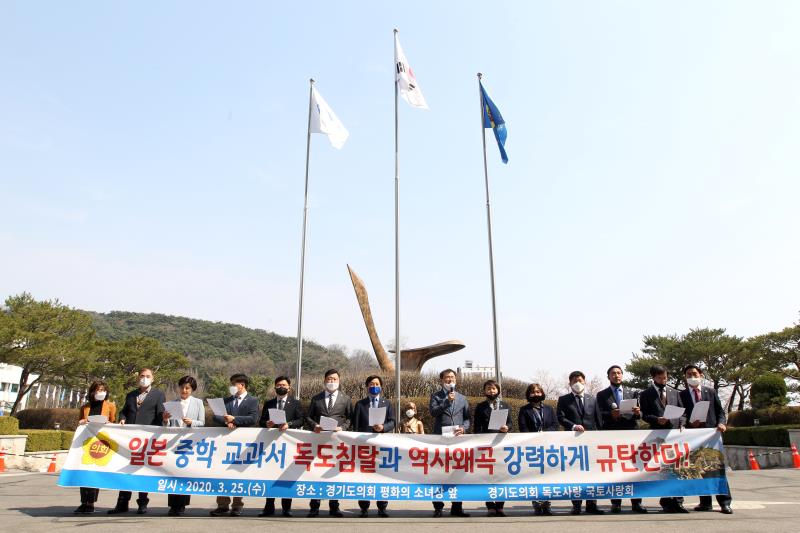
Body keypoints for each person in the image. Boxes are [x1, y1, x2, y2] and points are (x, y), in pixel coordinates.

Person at [108, 368, 166, 515]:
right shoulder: (131, 395)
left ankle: (142, 503)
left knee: (143, 471)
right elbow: (124, 411)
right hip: (130, 440)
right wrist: (122, 418)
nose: (144, 378)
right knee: (126, 470)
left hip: (148, 439)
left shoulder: (158, 395)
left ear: (153, 379)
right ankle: (122, 503)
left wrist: (163, 424)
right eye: (142, 376)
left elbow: (160, 415)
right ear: (138, 378)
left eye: (147, 376)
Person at [680, 364, 732, 514]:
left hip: (711, 436)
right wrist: (687, 423)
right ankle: (705, 502)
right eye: (689, 374)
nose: (692, 377)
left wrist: (722, 423)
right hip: (693, 436)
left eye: (694, 374)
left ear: (701, 375)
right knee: (699, 469)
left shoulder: (711, 392)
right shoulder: (681, 395)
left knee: (716, 469)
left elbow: (720, 412)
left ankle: (725, 503)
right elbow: (681, 415)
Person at [596, 365, 648, 514]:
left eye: (619, 373)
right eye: (613, 373)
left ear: (622, 375)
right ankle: (616, 503)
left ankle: (637, 503)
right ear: (608, 377)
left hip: (632, 435)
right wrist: (610, 415)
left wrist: (638, 412)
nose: (616, 375)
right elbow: (599, 414)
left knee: (635, 468)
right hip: (612, 436)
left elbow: (640, 414)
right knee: (615, 469)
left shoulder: (633, 392)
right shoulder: (602, 395)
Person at [639, 364, 689, 513]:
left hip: (675, 435)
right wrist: (656, 419)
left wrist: (682, 423)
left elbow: (683, 413)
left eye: (665, 377)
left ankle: (679, 501)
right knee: (663, 469)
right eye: (660, 377)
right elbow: (644, 415)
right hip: (657, 436)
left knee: (678, 468)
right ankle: (666, 501)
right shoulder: (646, 394)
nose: (663, 380)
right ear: (653, 377)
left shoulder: (675, 393)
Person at [209, 373, 259, 517]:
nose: (231, 387)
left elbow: (253, 418)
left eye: (234, 384)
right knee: (222, 472)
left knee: (238, 474)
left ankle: (237, 505)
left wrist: (235, 419)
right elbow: (216, 416)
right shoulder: (226, 401)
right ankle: (222, 505)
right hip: (224, 443)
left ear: (242, 385)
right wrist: (226, 421)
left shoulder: (252, 401)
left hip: (242, 443)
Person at [305, 368, 352, 518]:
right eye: (329, 379)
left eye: (334, 379)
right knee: (316, 473)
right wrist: (314, 426)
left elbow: (351, 419)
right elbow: (308, 417)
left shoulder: (346, 399)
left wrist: (342, 428)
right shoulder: (316, 398)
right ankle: (314, 506)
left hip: (336, 443)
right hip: (319, 442)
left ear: (339, 381)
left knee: (333, 474)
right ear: (324, 381)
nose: (331, 382)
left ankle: (334, 506)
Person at [557, 370, 605, 515]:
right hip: (572, 442)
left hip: (591, 442)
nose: (578, 383)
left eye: (580, 380)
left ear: (585, 382)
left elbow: (598, 420)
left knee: (593, 474)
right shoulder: (564, 399)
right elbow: (561, 417)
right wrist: (573, 426)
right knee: (575, 473)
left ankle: (592, 505)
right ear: (570, 384)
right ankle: (576, 505)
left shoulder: (593, 399)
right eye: (574, 381)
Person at [257, 375, 305, 518]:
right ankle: (269, 507)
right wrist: (267, 424)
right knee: (270, 475)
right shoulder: (269, 403)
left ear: (289, 387)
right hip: (271, 446)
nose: (281, 387)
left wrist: (288, 425)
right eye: (278, 385)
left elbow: (301, 419)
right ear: (275, 387)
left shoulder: (295, 403)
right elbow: (261, 421)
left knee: (286, 477)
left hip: (288, 445)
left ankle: (286, 508)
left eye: (284, 385)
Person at [352, 375, 396, 517]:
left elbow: (393, 422)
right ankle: (364, 507)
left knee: (382, 476)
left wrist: (383, 427)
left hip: (381, 445)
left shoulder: (387, 403)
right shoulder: (360, 404)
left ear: (381, 386)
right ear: (367, 387)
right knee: (363, 476)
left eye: (376, 383)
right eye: (371, 384)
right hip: (364, 446)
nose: (374, 386)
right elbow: (356, 425)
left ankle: (382, 507)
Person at [429, 368, 471, 518]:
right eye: (446, 378)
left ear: (456, 380)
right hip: (440, 439)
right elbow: (433, 412)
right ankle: (438, 507)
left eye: (452, 377)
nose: (449, 380)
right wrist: (447, 401)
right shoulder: (436, 396)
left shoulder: (462, 398)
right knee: (438, 473)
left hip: (457, 441)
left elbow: (467, 418)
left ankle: (457, 507)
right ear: (442, 380)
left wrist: (464, 428)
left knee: (457, 473)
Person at [162, 375, 205, 516]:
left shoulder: (198, 403)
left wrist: (191, 422)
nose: (184, 390)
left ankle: (182, 505)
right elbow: (166, 425)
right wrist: (165, 420)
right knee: (172, 472)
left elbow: (202, 422)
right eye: (182, 387)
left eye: (187, 388)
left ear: (192, 389)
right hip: (173, 442)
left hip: (189, 442)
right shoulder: (172, 403)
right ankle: (173, 505)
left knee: (184, 473)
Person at [74, 380, 117, 514]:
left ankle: (91, 502)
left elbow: (114, 422)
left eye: (103, 390)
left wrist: (109, 423)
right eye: (98, 390)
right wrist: (82, 422)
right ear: (93, 392)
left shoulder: (110, 406)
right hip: (87, 442)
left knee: (94, 472)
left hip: (101, 442)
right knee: (84, 472)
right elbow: (80, 422)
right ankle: (83, 501)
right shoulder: (85, 407)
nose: (101, 393)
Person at [518, 383, 558, 516]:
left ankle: (547, 504)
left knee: (548, 476)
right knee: (533, 476)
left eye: (538, 392)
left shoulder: (548, 409)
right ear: (529, 394)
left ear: (542, 393)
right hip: (532, 448)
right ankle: (536, 504)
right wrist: (534, 437)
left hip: (547, 447)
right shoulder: (524, 410)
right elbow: (522, 427)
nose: (536, 394)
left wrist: (545, 434)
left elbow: (555, 424)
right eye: (533, 392)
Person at [473, 379, 511, 517]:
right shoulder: (480, 406)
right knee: (486, 476)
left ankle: (500, 506)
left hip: (501, 443)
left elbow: (510, 423)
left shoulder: (504, 405)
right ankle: (490, 505)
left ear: (498, 391)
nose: (491, 391)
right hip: (486, 444)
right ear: (484, 391)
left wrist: (507, 428)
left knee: (502, 475)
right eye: (488, 389)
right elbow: (477, 427)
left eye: (494, 389)